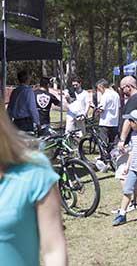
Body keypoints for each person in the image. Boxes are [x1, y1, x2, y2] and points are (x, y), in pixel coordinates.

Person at [0, 102, 67, 265]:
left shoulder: (33, 171)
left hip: (22, 123)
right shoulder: (30, 94)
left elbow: (54, 249)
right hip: (27, 122)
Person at [95, 79, 120, 154]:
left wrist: (96, 113)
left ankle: (103, 156)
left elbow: (101, 109)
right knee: (113, 142)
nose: (99, 91)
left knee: (103, 142)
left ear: (101, 86)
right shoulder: (116, 94)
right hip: (115, 121)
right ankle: (114, 157)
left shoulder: (105, 95)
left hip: (105, 122)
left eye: (98, 88)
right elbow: (119, 107)